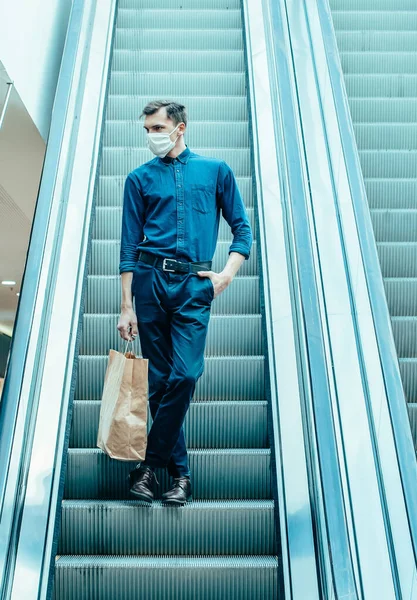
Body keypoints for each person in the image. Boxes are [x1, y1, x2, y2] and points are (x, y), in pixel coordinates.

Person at [116, 100, 252, 506]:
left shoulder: (215, 171)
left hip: (195, 283)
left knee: (187, 374)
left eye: (158, 128)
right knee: (159, 383)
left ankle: (148, 468)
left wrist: (226, 274)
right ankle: (180, 477)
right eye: (148, 130)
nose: (152, 136)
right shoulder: (138, 179)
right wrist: (127, 306)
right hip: (149, 282)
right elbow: (127, 248)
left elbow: (242, 230)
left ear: (180, 128)